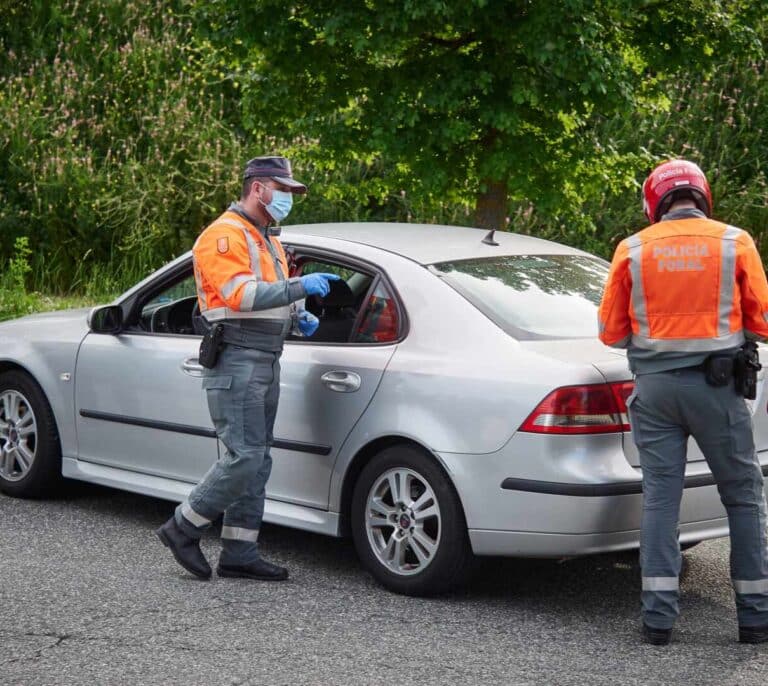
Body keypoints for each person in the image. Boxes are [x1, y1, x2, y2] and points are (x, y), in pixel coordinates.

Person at [598, 159, 768, 645]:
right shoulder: (736, 242)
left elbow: (611, 332)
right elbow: (763, 322)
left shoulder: (631, 249)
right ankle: (755, 618)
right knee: (743, 495)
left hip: (654, 393)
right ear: (702, 195)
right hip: (717, 391)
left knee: (661, 500)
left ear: (656, 203)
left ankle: (658, 621)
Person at [156, 155, 339, 582]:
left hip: (265, 355)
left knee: (258, 461)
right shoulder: (224, 235)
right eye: (284, 190)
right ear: (258, 188)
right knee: (246, 456)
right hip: (236, 355)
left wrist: (297, 316)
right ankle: (182, 526)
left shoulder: (266, 238)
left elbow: (270, 296)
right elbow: (240, 294)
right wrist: (300, 287)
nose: (289, 199)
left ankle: (239, 551)